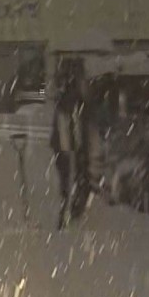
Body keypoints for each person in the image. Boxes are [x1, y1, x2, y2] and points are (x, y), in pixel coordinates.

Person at [50, 58, 91, 229]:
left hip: (69, 146)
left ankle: (70, 213)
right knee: (70, 178)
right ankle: (69, 213)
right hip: (68, 146)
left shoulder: (68, 104)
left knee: (69, 179)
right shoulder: (69, 104)